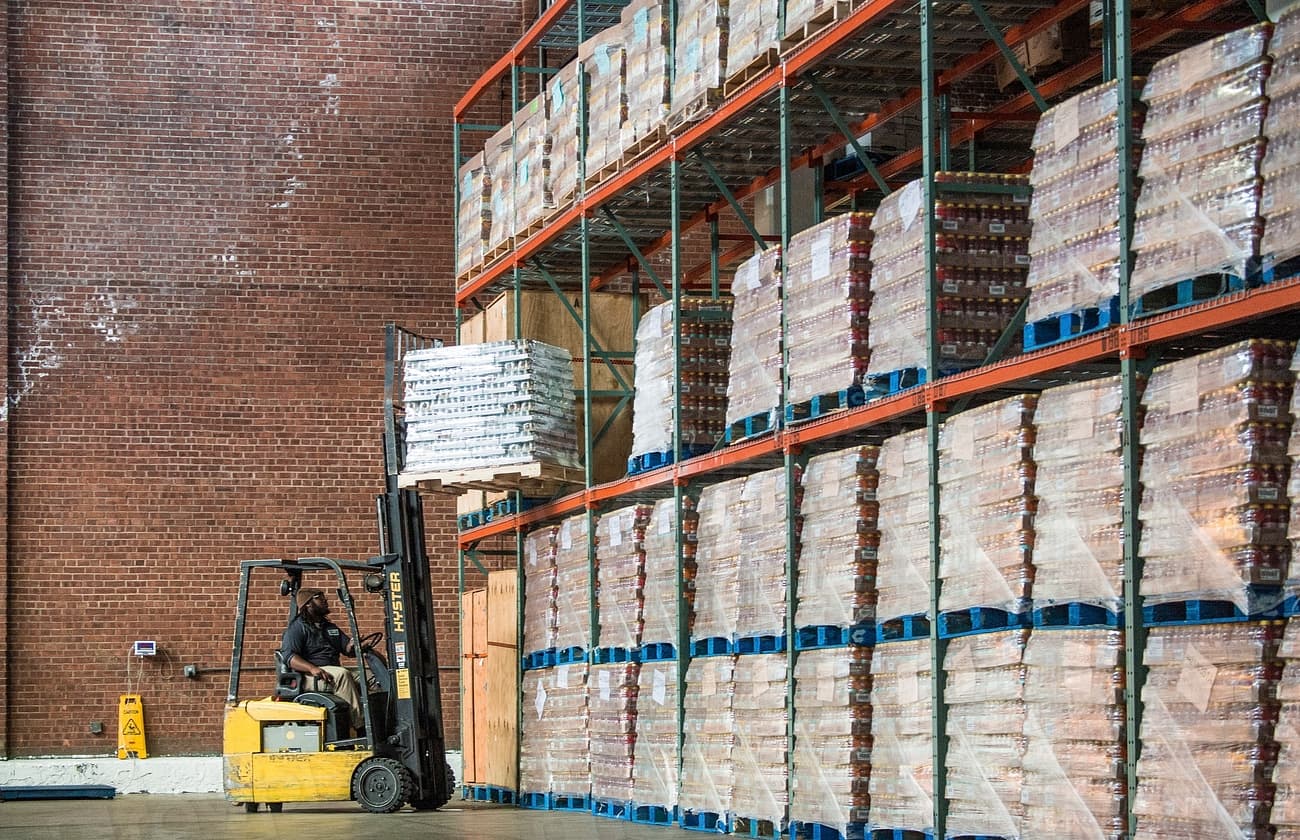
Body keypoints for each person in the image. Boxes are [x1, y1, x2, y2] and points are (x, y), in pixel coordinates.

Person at [281, 587, 365, 735]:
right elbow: (290, 658)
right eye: (319, 598)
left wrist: (352, 645)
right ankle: (362, 728)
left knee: (369, 677)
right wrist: (312, 668)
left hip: (330, 671)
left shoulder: (329, 627)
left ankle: (380, 720)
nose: (325, 600)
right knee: (342, 675)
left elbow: (346, 649)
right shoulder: (297, 628)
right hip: (309, 676)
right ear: (308, 604)